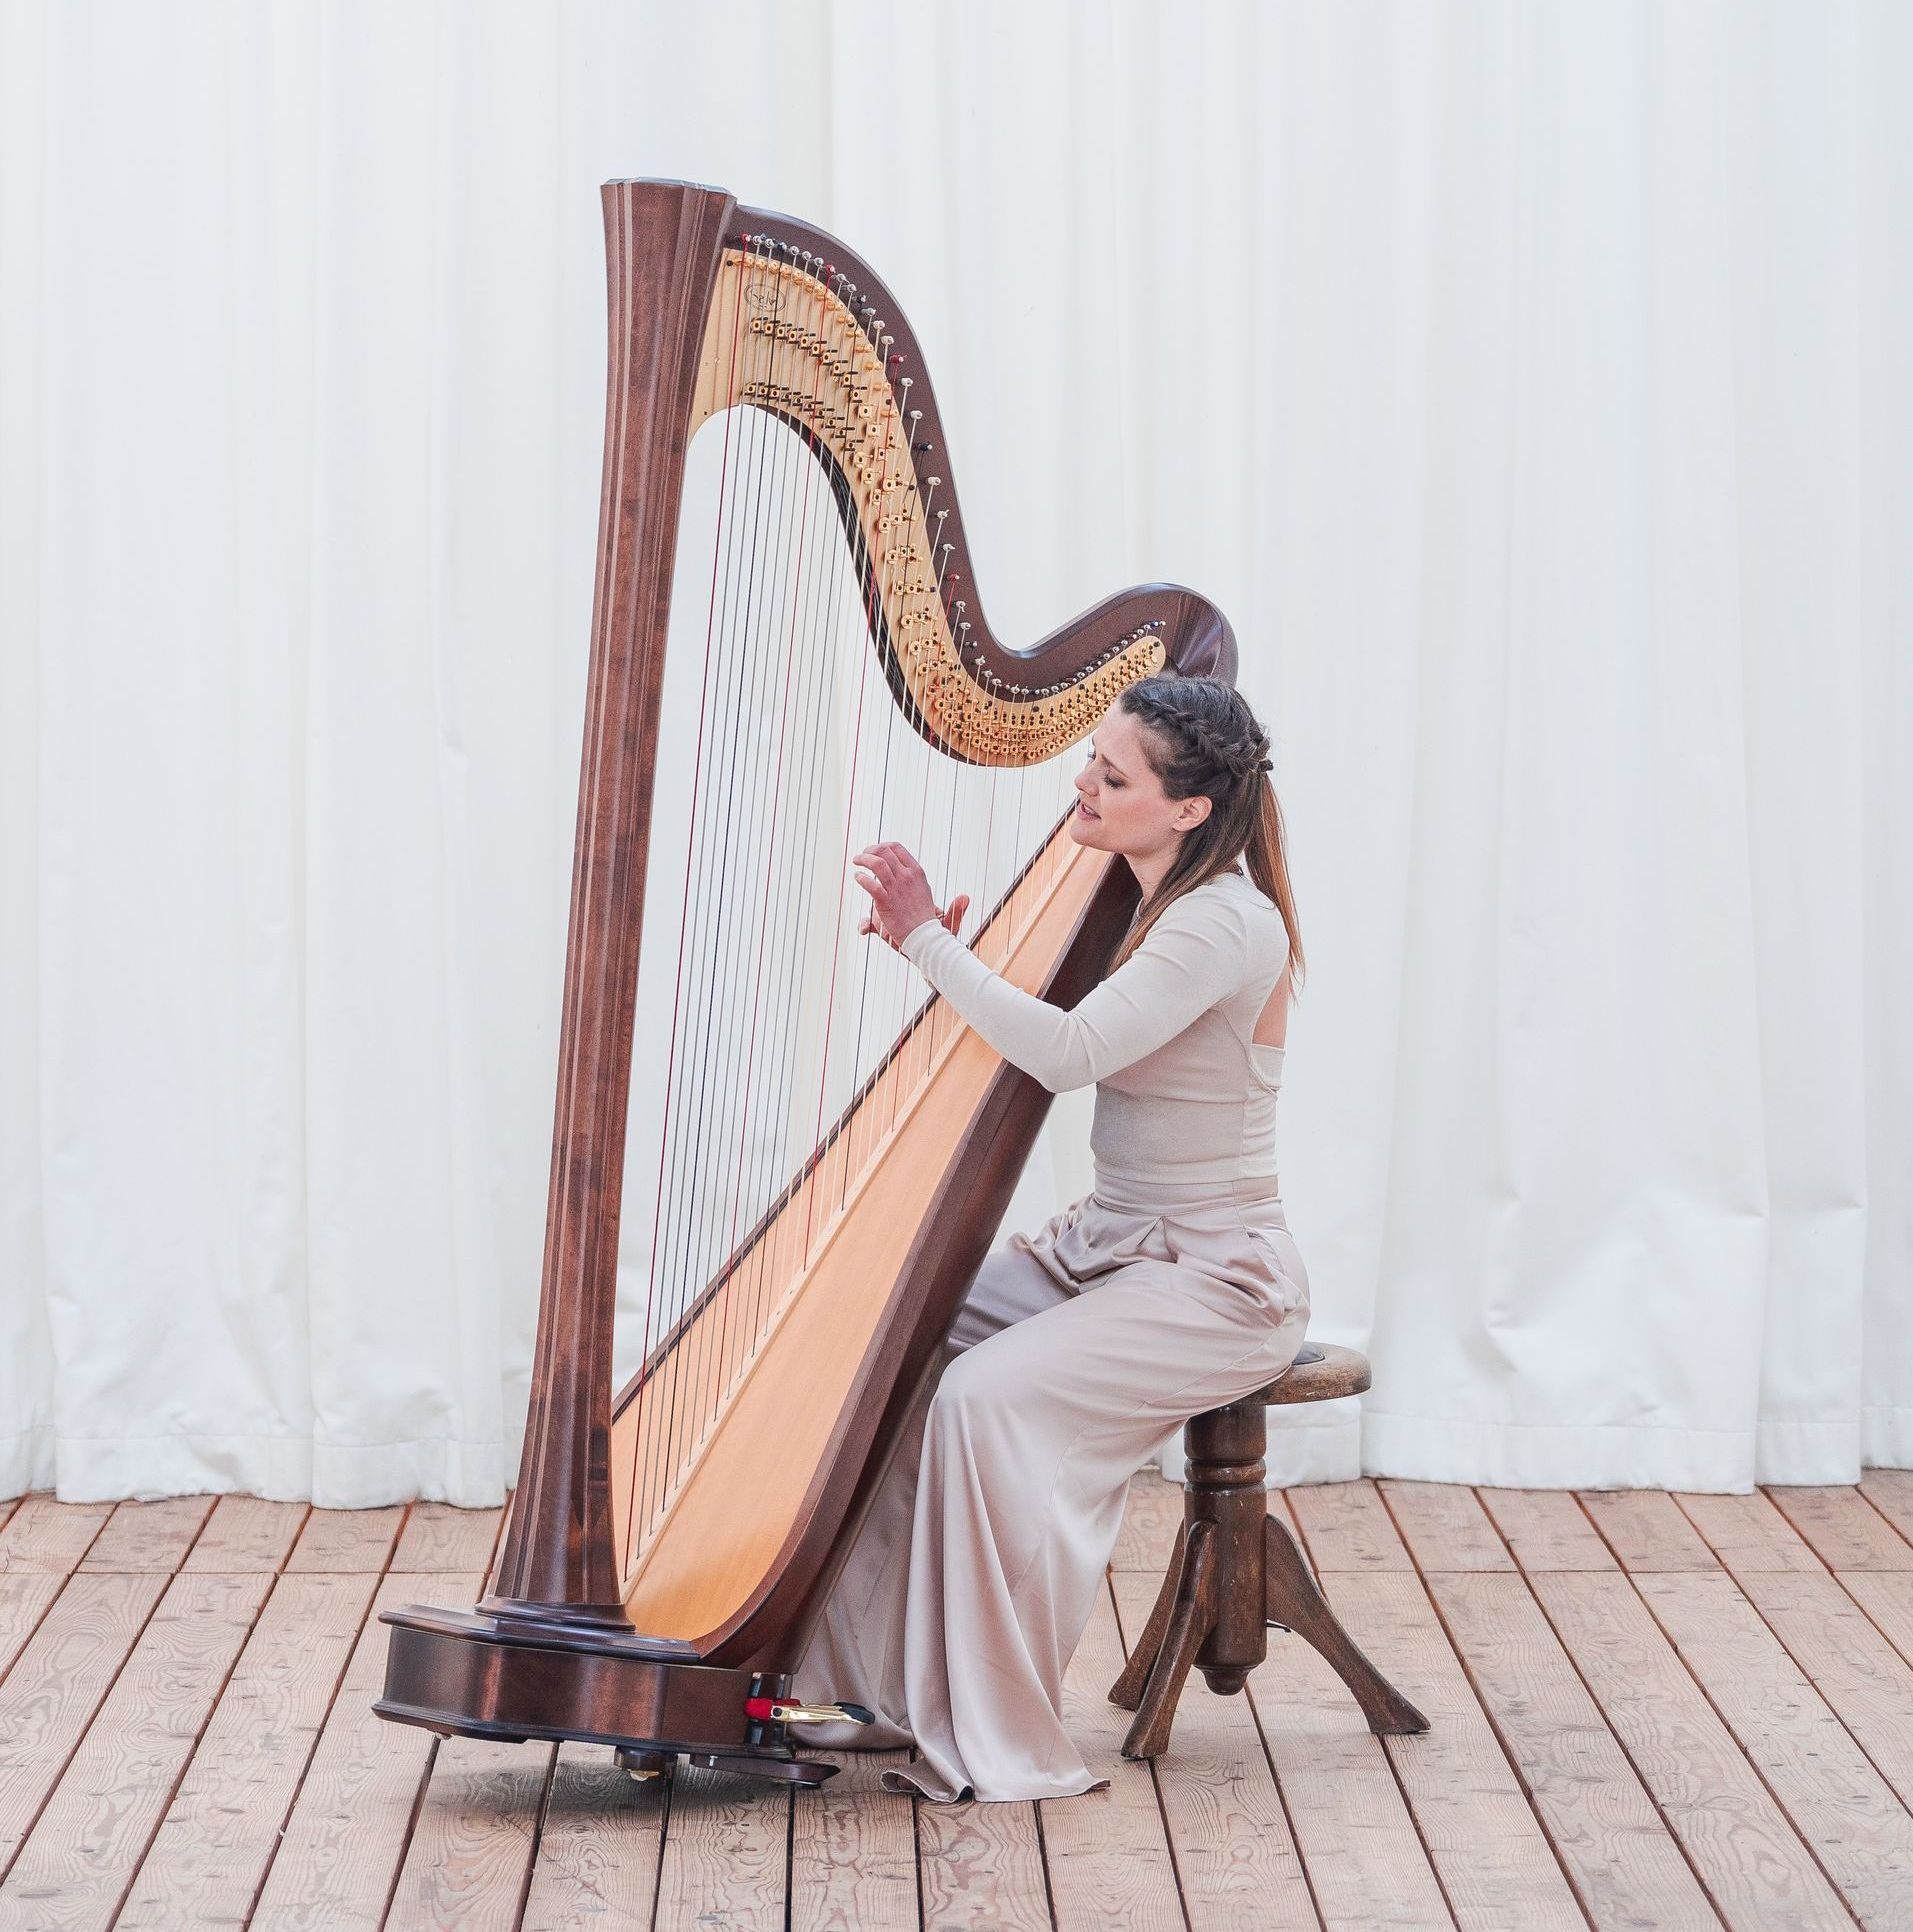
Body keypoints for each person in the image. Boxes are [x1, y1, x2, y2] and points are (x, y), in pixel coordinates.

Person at [790, 673, 1311, 1803]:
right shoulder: (1133, 892)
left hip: (1214, 1279)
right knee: (885, 1335)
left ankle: (990, 1726)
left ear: (1185, 810)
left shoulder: (1224, 920)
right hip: (1105, 1245)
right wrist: (943, 951)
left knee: (983, 1398)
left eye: (1111, 777)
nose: (1082, 782)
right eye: (1089, 758)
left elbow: (1066, 1052)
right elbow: (1042, 1025)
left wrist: (931, 943)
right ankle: (858, 1687)